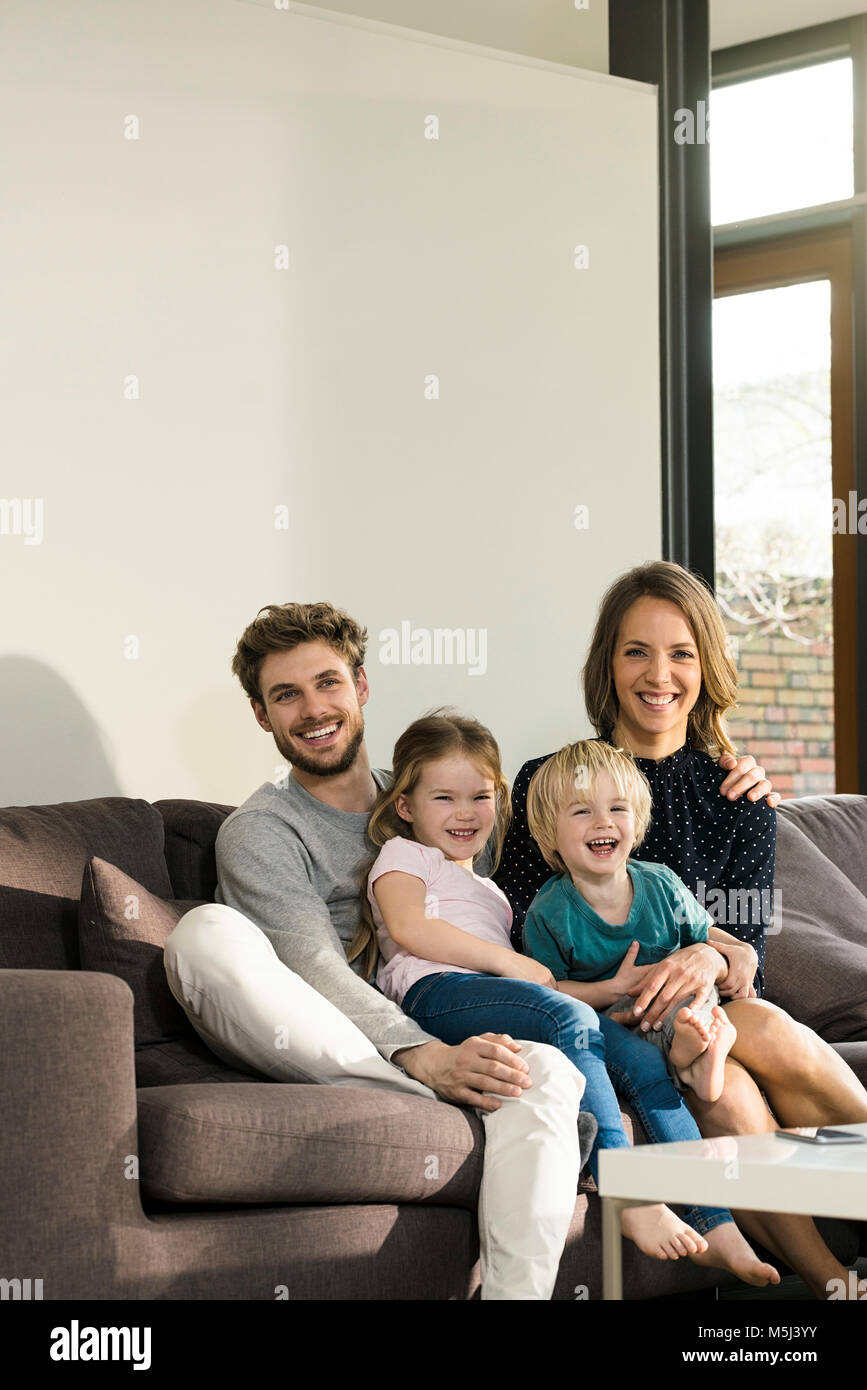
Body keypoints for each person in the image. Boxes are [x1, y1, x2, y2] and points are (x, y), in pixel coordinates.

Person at [164, 601, 588, 1301]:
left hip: (430, 1021)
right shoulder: (263, 831)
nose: (312, 708)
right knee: (204, 935)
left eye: (327, 683)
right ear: (261, 715)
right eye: (285, 694)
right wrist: (422, 1054)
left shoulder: (432, 803)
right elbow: (311, 965)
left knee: (539, 1068)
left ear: (360, 687)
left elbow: (516, 915)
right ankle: (429, 1084)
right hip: (310, 1028)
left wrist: (704, 941)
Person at [496, 559, 867, 1297]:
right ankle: (830, 1278)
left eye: (680, 653)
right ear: (608, 664)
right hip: (610, 1016)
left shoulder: (737, 793)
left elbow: (745, 962)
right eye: (636, 651)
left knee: (743, 1045)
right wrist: (620, 988)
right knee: (734, 1061)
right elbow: (518, 944)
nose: (657, 674)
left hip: (714, 1021)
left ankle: (826, 1282)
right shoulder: (552, 782)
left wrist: (704, 955)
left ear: (705, 666)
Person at [359, 707, 778, 1282]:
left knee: (642, 1064)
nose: (465, 813)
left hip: (501, 996)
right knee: (572, 1019)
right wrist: (514, 965)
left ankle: (719, 1224)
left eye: (480, 797)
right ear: (405, 807)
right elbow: (410, 929)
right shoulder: (405, 856)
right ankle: (624, 1187)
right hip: (436, 993)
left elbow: (553, 983)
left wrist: (718, 955)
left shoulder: (489, 888)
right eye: (443, 799)